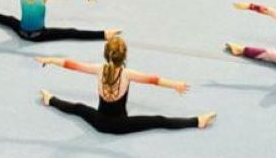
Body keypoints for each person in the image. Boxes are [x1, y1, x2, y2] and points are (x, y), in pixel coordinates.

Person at [36, 36, 216, 134]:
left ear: (106, 55)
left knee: (78, 108)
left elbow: (71, 65)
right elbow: (154, 80)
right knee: (158, 121)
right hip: (121, 125)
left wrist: (50, 59)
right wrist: (175, 84)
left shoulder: (98, 69)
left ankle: (49, 99)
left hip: (99, 122)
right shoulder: (127, 74)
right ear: (124, 56)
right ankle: (197, 121)